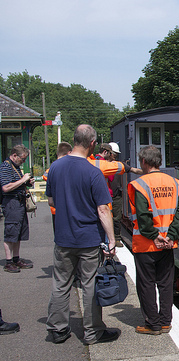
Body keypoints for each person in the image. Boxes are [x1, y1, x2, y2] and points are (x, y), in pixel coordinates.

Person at [45, 124, 120, 345]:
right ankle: (92, 332)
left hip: (63, 238)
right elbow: (103, 209)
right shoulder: (93, 172)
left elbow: (51, 201)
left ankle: (58, 329)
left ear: (75, 139)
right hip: (88, 239)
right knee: (90, 284)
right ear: (92, 143)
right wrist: (112, 240)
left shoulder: (55, 167)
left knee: (61, 283)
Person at [129, 146, 179, 335]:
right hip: (168, 245)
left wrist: (155, 236)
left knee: (146, 284)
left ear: (144, 161)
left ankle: (152, 324)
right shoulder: (174, 183)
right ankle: (165, 322)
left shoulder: (140, 184)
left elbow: (143, 216)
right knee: (165, 283)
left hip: (146, 244)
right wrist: (170, 236)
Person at [0, 145, 35, 273]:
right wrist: (22, 180)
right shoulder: (6, 166)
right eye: (22, 159)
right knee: (11, 231)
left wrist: (27, 183)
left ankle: (16, 259)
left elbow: (16, 183)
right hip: (11, 203)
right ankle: (8, 262)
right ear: (14, 155)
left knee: (18, 232)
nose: (23, 161)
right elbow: (6, 187)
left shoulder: (15, 166)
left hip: (19, 202)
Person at [43, 142, 73, 232]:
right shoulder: (68, 168)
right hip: (69, 209)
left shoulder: (51, 169)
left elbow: (45, 176)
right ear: (69, 153)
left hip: (55, 209)